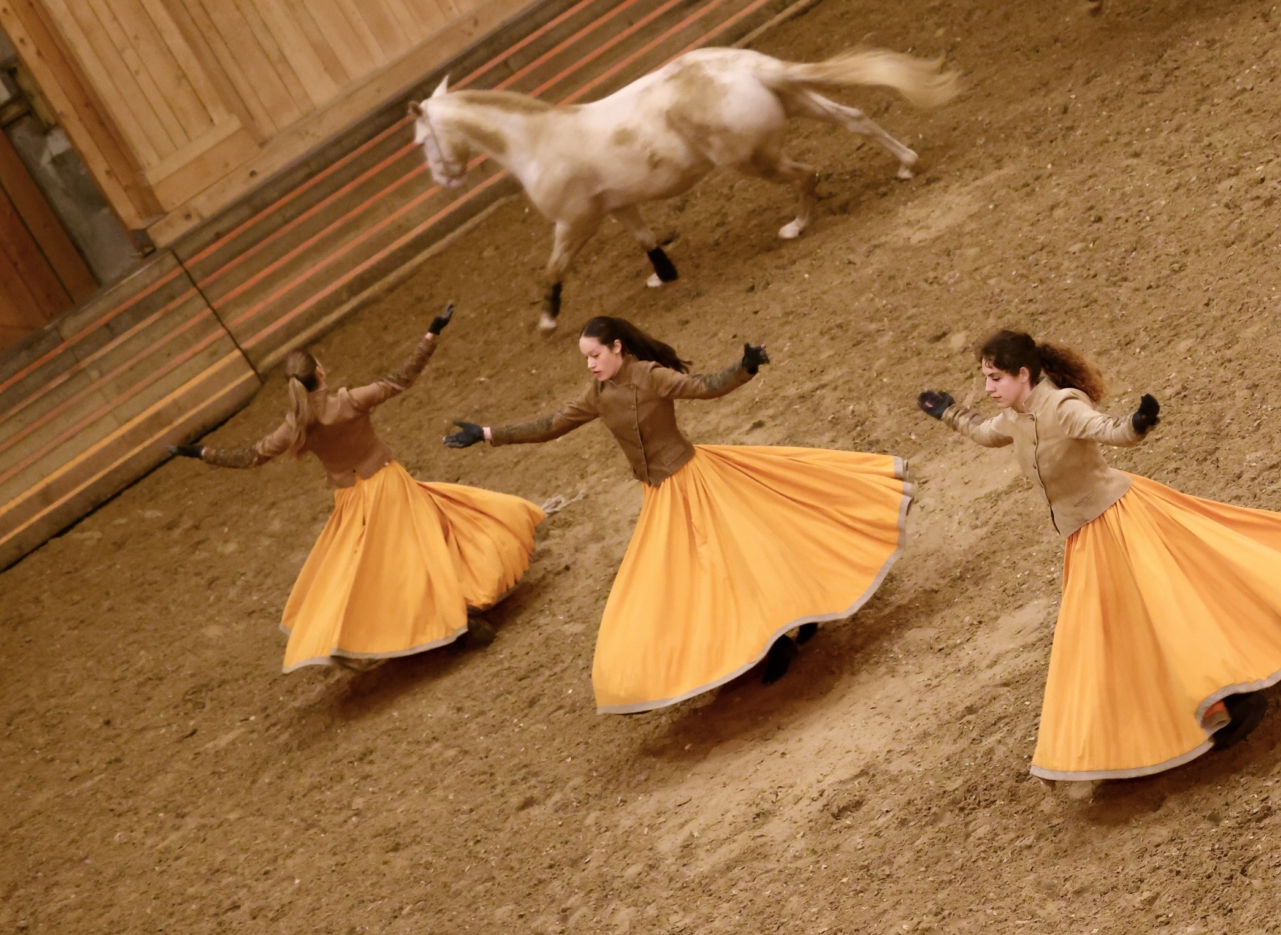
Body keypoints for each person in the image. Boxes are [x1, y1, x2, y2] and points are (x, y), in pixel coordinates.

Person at [918, 329, 1281, 780]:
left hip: (1118, 523)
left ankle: (1226, 699)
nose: (988, 387)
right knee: (1137, 626)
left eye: (995, 377)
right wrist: (950, 414)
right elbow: (984, 433)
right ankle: (1211, 699)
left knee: (1161, 614)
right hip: (1086, 535)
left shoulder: (1060, 407)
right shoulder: (1017, 417)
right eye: (985, 378)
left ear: (1024, 374)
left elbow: (1107, 430)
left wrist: (1137, 425)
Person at [444, 315, 907, 713]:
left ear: (616, 348)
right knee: (718, 566)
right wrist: (486, 433)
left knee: (733, 560)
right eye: (585, 358)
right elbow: (549, 426)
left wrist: (744, 367)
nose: (589, 364)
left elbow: (703, 387)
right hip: (661, 495)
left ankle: (781, 638)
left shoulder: (650, 375)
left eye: (593, 355)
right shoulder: (598, 393)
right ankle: (790, 623)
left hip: (694, 480)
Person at [172, 304, 540, 672]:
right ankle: (455, 620)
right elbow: (401, 378)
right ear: (320, 371)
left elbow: (250, 456)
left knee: (368, 569)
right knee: (424, 549)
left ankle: (402, 629)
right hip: (388, 485)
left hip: (351, 499)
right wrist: (432, 333)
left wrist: (200, 452)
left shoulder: (297, 425)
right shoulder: (349, 402)